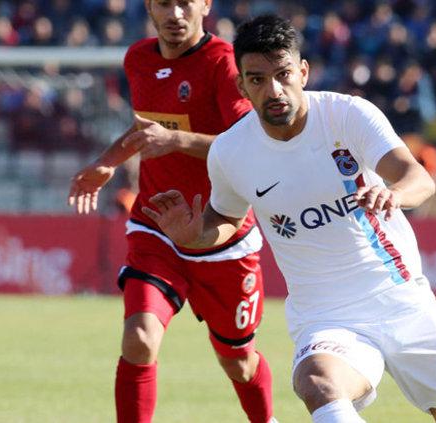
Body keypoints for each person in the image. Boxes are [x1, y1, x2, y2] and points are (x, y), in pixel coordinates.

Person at [143, 14, 436, 423]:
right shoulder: (230, 151)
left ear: (303, 72)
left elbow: (417, 177)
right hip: (326, 316)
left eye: (283, 74)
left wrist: (394, 194)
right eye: (257, 79)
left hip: (400, 297)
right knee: (318, 384)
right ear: (241, 86)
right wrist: (195, 235)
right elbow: (224, 217)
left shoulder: (347, 115)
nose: (274, 90)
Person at [67, 2, 276, 422]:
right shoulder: (138, 59)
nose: (175, 13)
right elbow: (146, 126)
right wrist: (108, 161)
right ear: (149, 6)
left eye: (185, 2)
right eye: (164, 2)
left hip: (221, 233)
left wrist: (177, 141)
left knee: (239, 363)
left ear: (206, 4)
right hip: (156, 226)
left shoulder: (223, 63)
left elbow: (246, 144)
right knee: (139, 338)